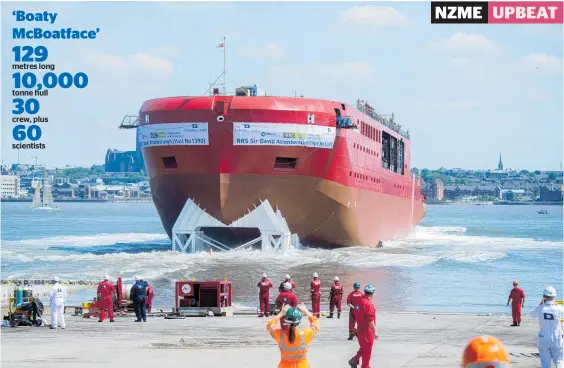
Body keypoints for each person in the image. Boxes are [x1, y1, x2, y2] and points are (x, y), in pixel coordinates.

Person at [266, 303, 319, 368]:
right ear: (298, 321)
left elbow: (269, 326)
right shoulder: (306, 333)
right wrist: (307, 312)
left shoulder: (280, 334)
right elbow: (315, 324)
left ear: (286, 320)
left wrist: (281, 314)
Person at [530, 286, 564, 368]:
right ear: (554, 297)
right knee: (559, 360)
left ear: (544, 297)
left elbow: (532, 314)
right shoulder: (559, 308)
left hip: (543, 337)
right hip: (557, 336)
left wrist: (540, 304)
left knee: (545, 363)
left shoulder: (540, 308)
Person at [348, 284, 377, 368]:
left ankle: (357, 361)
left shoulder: (358, 302)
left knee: (364, 348)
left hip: (360, 329)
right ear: (372, 293)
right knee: (367, 350)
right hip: (367, 331)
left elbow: (355, 313)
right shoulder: (369, 304)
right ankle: (361, 363)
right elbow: (370, 320)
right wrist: (375, 332)